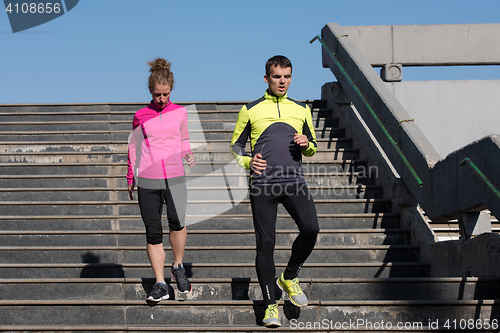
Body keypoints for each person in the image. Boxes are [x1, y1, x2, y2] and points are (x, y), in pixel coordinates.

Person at [230, 55, 319, 327]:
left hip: (294, 181)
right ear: (266, 78)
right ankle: (270, 305)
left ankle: (289, 276)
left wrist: (306, 144)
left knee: (311, 228)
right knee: (266, 244)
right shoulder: (250, 109)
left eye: (287, 76)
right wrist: (248, 161)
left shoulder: (302, 109)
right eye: (277, 76)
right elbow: (235, 146)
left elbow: (313, 146)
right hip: (263, 184)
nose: (283, 81)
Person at [127, 57, 195, 302]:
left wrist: (187, 153)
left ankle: (177, 266)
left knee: (177, 222)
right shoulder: (140, 115)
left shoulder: (180, 112)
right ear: (150, 91)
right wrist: (130, 175)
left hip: (175, 176)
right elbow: (133, 147)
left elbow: (184, 139)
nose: (162, 99)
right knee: (153, 232)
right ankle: (159, 283)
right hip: (148, 177)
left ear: (171, 91)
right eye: (157, 94)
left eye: (166, 94)